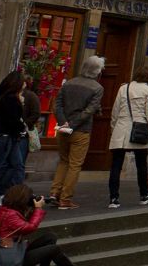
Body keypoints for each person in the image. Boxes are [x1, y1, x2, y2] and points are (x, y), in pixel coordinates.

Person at [0, 72, 40, 209]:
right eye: (23, 81)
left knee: (16, 165)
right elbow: (11, 120)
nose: (25, 83)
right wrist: (21, 123)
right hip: (3, 137)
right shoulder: (9, 99)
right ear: (17, 83)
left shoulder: (12, 97)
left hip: (11, 137)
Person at [47, 55, 104, 209]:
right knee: (75, 164)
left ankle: (54, 192)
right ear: (97, 71)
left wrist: (62, 122)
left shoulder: (69, 83)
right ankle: (65, 198)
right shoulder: (97, 88)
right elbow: (89, 110)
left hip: (63, 128)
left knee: (63, 160)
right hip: (81, 130)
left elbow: (57, 105)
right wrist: (72, 124)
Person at [106, 64, 148, 208]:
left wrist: (113, 128)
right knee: (141, 164)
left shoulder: (124, 88)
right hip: (139, 129)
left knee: (116, 165)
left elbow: (115, 111)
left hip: (121, 128)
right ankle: (143, 194)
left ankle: (113, 198)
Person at [0, 184, 74, 266]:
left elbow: (25, 223)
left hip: (16, 250)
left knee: (50, 237)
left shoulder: (10, 210)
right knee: (54, 249)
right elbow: (30, 227)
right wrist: (38, 209)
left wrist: (34, 206)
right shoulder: (9, 215)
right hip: (9, 258)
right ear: (22, 198)